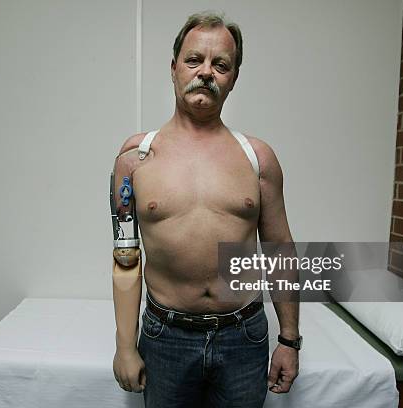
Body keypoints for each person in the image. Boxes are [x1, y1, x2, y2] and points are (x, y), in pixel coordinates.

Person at [111, 11, 300, 408]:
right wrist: (125, 347)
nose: (206, 73)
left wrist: (289, 340)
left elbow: (280, 250)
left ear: (234, 77)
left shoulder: (258, 159)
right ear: (174, 67)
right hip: (166, 338)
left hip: (244, 338)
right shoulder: (134, 160)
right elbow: (126, 258)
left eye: (221, 65)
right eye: (194, 60)